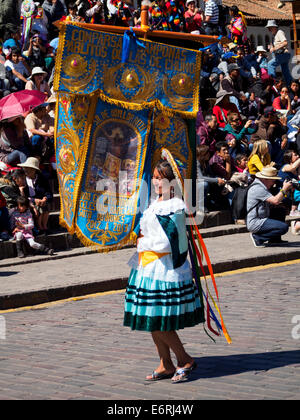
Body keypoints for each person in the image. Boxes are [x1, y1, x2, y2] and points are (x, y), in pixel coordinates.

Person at [123, 158, 204, 383]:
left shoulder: (176, 206)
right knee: (151, 318)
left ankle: (184, 359)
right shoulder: (153, 203)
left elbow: (173, 243)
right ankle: (165, 362)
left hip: (164, 269)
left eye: (161, 179)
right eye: (156, 179)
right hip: (146, 268)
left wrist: (143, 243)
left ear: (172, 182)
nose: (157, 183)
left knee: (158, 318)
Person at [247, 166, 292, 247]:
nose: (274, 183)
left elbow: (275, 202)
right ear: (265, 179)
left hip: (262, 217)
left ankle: (275, 239)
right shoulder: (258, 188)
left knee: (280, 210)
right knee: (284, 227)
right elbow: (275, 200)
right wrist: (284, 188)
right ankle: (258, 237)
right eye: (273, 180)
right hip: (255, 222)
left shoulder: (262, 186)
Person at [17, 157, 53, 234]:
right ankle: (40, 227)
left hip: (40, 200)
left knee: (45, 206)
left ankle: (44, 226)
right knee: (38, 209)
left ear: (34, 170)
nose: (26, 172)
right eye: (26, 170)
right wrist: (33, 200)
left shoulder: (42, 179)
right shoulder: (23, 179)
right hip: (28, 200)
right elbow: (22, 196)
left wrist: (45, 198)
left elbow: (49, 192)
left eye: (29, 170)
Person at [196, 144, 226, 211]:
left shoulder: (206, 163)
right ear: (203, 154)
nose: (209, 154)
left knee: (216, 180)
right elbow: (200, 178)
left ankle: (215, 203)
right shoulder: (196, 163)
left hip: (201, 183)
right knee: (205, 184)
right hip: (193, 185)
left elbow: (211, 175)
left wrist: (219, 180)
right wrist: (216, 180)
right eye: (207, 153)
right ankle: (200, 207)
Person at [266, 20, 292, 86]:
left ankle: (273, 83)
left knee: (270, 64)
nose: (269, 30)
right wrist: (272, 47)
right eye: (268, 28)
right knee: (285, 71)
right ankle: (290, 85)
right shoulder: (275, 35)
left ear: (274, 27)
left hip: (284, 54)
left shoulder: (279, 32)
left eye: (270, 28)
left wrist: (274, 48)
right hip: (284, 55)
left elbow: (285, 43)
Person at [278, 149, 300, 216]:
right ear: (290, 158)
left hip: (290, 194)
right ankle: (293, 210)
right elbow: (292, 167)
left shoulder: (296, 169)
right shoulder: (286, 166)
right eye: (295, 155)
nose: (298, 156)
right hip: (282, 192)